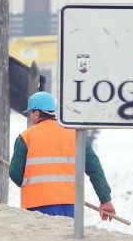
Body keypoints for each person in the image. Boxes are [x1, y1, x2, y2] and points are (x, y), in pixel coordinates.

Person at [9, 91, 117, 220]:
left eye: (30, 113)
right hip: (70, 205)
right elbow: (94, 169)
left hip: (37, 205)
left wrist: (29, 182)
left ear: (37, 113)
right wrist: (105, 200)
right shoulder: (75, 135)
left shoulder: (25, 138)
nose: (30, 118)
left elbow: (15, 174)